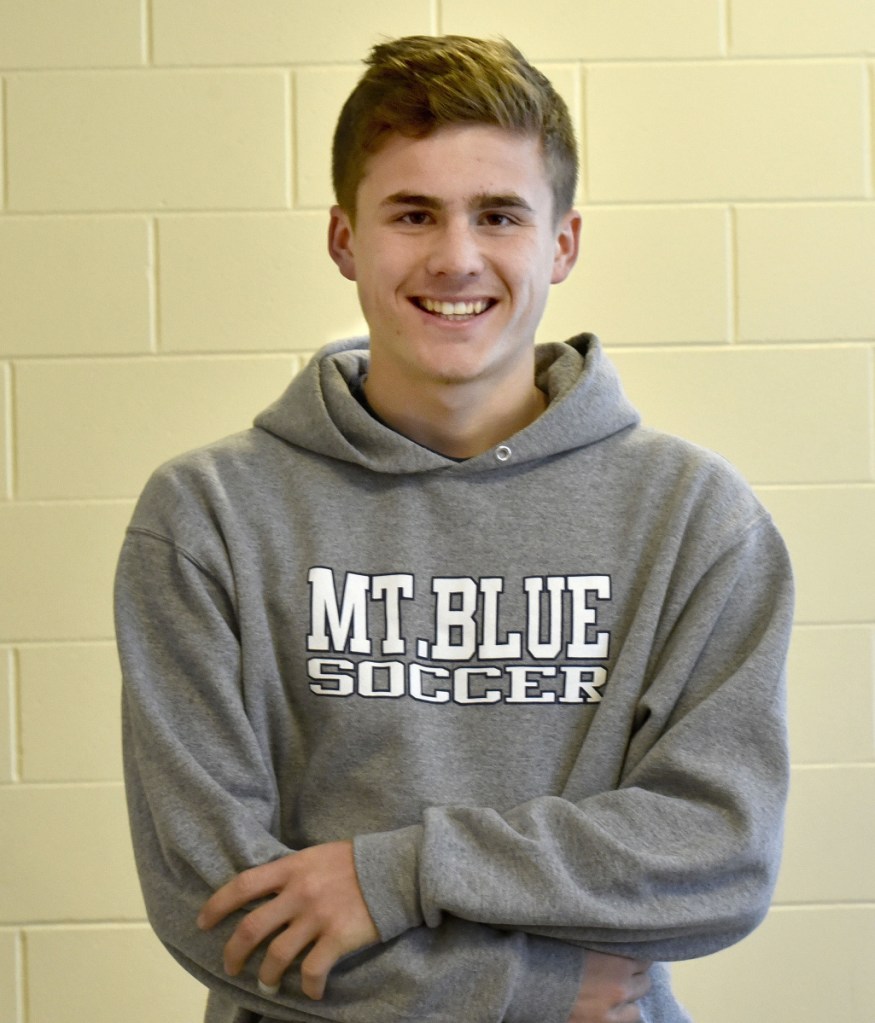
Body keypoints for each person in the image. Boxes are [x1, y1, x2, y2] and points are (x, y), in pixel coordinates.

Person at [116, 35, 793, 1023]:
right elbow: (207, 898)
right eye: (412, 213)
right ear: (345, 238)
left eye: (499, 215)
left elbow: (718, 854)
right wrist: (530, 986)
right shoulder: (209, 516)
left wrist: (397, 873)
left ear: (560, 243)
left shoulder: (693, 518)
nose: (456, 257)